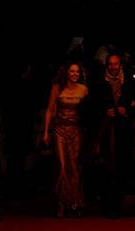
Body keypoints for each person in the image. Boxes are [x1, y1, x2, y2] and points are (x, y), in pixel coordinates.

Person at [90, 52, 135, 218]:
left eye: (116, 64)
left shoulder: (129, 83)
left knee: (122, 167)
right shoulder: (99, 83)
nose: (113, 66)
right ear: (107, 65)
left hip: (124, 131)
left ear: (120, 65)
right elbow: (92, 106)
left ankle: (117, 204)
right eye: (110, 64)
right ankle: (106, 204)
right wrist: (105, 112)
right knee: (106, 168)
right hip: (106, 131)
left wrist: (127, 110)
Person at [43, 62, 88, 217]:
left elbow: (89, 112)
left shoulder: (84, 90)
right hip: (59, 130)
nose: (75, 74)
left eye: (77, 72)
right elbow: (49, 110)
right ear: (66, 73)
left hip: (76, 131)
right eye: (72, 71)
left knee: (74, 166)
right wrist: (45, 133)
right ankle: (62, 203)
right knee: (62, 166)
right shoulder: (57, 87)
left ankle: (75, 202)